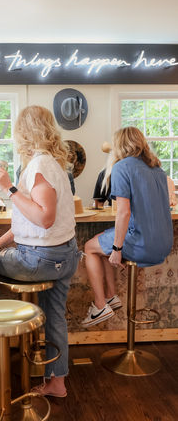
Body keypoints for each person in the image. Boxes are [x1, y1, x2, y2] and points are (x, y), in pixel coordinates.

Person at [0, 105, 80, 398]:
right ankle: (57, 383)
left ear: (24, 132)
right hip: (64, 256)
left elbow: (44, 218)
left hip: (41, 260)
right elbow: (32, 220)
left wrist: (9, 189)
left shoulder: (39, 167)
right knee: (55, 316)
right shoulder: (52, 164)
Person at [81, 126, 173, 328]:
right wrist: (115, 247)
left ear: (120, 145)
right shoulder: (157, 168)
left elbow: (124, 212)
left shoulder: (122, 167)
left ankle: (99, 305)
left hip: (142, 242)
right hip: (164, 243)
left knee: (89, 247)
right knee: (103, 245)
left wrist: (117, 249)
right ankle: (111, 297)